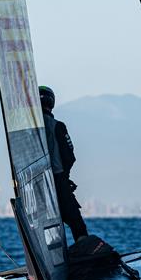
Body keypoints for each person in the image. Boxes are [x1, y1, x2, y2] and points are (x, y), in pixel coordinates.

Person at [40, 86, 88, 241]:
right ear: (51, 102)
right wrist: (65, 178)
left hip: (37, 185)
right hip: (59, 181)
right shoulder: (57, 126)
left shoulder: (27, 130)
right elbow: (69, 156)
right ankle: (83, 250)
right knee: (76, 222)